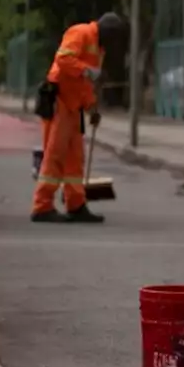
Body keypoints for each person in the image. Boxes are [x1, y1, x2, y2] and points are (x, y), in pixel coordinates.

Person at [31, 12, 127, 224]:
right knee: (55, 155)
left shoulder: (98, 47)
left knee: (75, 158)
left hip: (73, 107)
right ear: (107, 33)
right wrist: (85, 71)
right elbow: (63, 59)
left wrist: (92, 108)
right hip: (59, 102)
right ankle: (42, 206)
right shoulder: (81, 32)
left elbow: (84, 85)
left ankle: (76, 204)